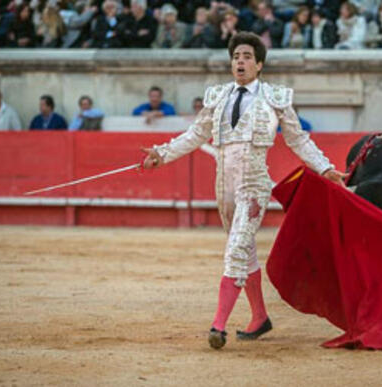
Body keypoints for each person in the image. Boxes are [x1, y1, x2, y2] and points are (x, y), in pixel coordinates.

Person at [140, 32, 346, 350]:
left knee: (236, 249)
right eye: (236, 56)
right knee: (244, 250)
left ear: (259, 64)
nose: (240, 61)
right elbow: (196, 134)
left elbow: (298, 139)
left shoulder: (275, 97)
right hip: (224, 187)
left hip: (253, 184)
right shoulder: (218, 96)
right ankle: (260, 316)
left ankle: (218, 326)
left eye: (247, 56)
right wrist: (162, 154)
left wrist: (324, 167)